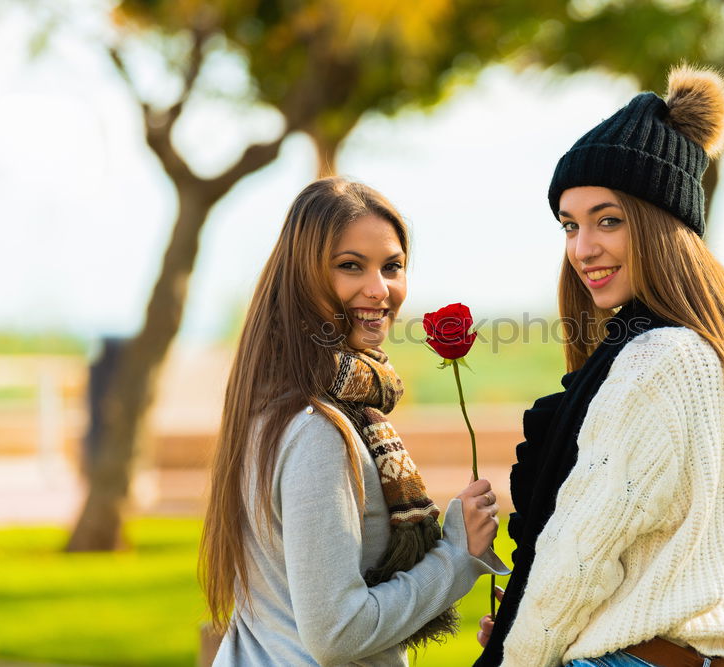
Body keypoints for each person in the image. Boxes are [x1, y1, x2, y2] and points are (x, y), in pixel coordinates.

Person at [474, 65, 724, 667]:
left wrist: (512, 655)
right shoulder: (720, 353)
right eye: (570, 226)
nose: (582, 249)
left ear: (663, 224)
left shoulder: (658, 361)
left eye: (608, 220)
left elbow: (579, 558)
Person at [200, 177, 508, 666]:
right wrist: (457, 554)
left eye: (392, 266)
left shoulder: (274, 403)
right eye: (350, 267)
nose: (378, 289)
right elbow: (337, 632)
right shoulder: (317, 429)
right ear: (304, 278)